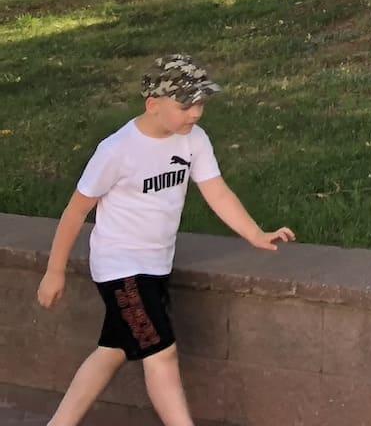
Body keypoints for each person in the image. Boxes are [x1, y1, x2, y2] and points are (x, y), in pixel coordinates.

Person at [34, 54, 295, 426]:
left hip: (156, 265)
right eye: (186, 104)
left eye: (201, 103)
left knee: (113, 350)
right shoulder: (116, 150)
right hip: (120, 268)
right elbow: (76, 212)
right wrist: (54, 271)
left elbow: (216, 191)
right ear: (153, 104)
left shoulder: (194, 141)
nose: (196, 113)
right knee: (162, 354)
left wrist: (255, 233)